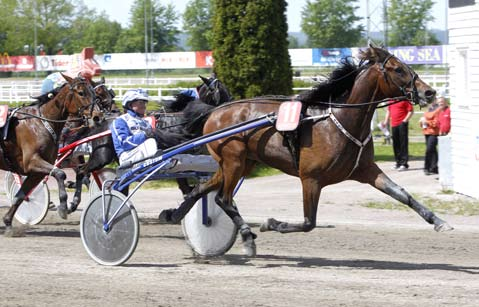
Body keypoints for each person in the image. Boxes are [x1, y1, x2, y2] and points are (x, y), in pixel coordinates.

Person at [110, 89, 159, 165]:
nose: (144, 106)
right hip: (127, 157)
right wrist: (145, 135)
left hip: (144, 155)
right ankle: (157, 163)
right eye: (140, 103)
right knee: (150, 142)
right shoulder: (120, 121)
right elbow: (124, 144)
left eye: (144, 103)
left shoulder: (145, 122)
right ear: (129, 104)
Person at [382, 99, 414, 171]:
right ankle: (398, 162)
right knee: (396, 144)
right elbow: (388, 111)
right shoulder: (391, 100)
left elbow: (411, 111)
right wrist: (385, 121)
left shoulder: (404, 100)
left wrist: (404, 121)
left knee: (403, 143)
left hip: (402, 124)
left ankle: (404, 164)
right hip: (394, 124)